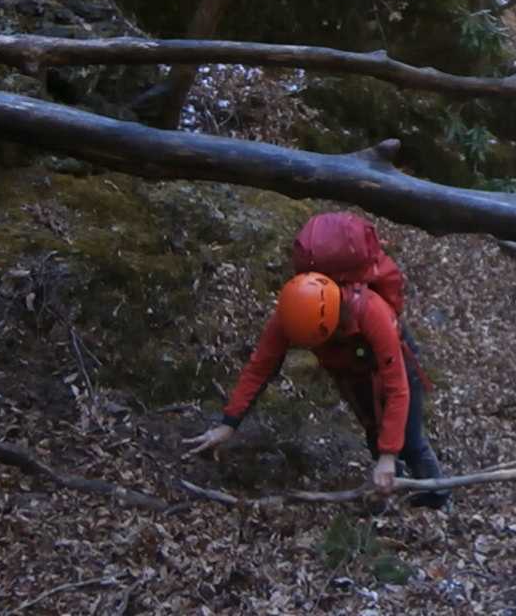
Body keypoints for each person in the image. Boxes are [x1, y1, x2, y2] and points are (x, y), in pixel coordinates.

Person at [185, 214, 448, 509]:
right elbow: (260, 368)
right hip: (353, 372)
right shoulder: (290, 313)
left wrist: (389, 454)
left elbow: (397, 388)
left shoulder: (371, 312)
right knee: (374, 434)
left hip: (393, 364)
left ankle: (437, 499)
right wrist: (228, 424)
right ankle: (387, 493)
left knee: (410, 440)